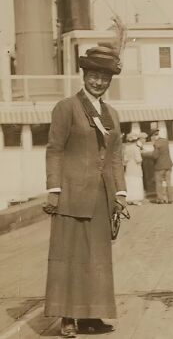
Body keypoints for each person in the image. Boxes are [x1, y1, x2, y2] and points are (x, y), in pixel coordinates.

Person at [43, 43, 127, 338]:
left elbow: (115, 156)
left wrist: (120, 193)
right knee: (70, 257)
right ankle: (67, 318)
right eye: (93, 75)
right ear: (84, 75)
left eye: (104, 78)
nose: (98, 82)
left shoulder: (112, 114)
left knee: (97, 258)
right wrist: (54, 189)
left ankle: (92, 316)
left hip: (101, 199)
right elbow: (54, 150)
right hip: (72, 195)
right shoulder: (66, 108)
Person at [151, 129, 173, 204]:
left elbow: (155, 156)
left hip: (160, 166)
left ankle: (160, 199)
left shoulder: (156, 143)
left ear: (153, 136)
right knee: (168, 182)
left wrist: (149, 154)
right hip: (168, 164)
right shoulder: (165, 141)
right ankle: (170, 198)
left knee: (159, 183)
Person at [123, 133, 145, 205]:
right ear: (135, 140)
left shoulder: (126, 148)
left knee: (130, 183)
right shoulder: (136, 148)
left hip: (129, 167)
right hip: (135, 167)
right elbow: (138, 159)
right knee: (136, 183)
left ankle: (129, 199)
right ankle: (136, 199)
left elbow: (125, 160)